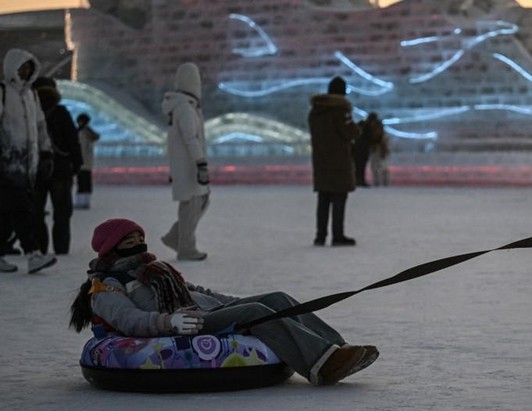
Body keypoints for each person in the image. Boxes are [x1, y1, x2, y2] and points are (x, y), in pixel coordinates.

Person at [68, 218, 380, 386]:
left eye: (138, 238)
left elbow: (197, 290)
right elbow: (128, 320)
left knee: (277, 299)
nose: (137, 244)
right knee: (258, 313)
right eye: (128, 241)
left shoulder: (155, 269)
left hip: (204, 311)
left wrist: (239, 303)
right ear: (111, 248)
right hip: (184, 325)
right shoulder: (106, 287)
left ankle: (337, 349)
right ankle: (321, 368)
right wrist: (168, 322)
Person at [0, 48, 58, 274]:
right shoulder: (4, 92)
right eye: (22, 67)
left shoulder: (31, 95)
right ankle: (32, 252)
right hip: (7, 162)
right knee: (22, 209)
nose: (25, 71)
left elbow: (40, 126)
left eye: (28, 68)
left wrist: (45, 152)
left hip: (27, 165)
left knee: (7, 212)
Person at [160, 62, 210, 260]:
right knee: (192, 205)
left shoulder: (183, 106)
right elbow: (191, 138)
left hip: (184, 165)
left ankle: (176, 237)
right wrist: (200, 163)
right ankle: (186, 247)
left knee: (199, 202)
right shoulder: (185, 108)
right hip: (189, 166)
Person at [31, 77, 82, 255]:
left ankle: (39, 247)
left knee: (35, 212)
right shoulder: (60, 111)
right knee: (62, 213)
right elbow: (72, 140)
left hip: (35, 169)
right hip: (61, 169)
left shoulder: (30, 111)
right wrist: (76, 164)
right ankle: (61, 248)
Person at [308, 76, 360, 246]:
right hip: (339, 160)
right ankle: (338, 235)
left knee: (323, 198)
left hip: (321, 159)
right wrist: (358, 128)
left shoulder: (315, 111)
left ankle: (320, 235)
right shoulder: (341, 111)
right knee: (339, 197)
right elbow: (350, 133)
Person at [75, 113, 100, 209]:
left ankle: (81, 202)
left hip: (81, 162)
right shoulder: (88, 132)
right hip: (87, 162)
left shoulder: (81, 132)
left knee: (81, 182)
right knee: (86, 183)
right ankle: (85, 201)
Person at [369, 117, 390, 187]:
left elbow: (386, 145)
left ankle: (384, 182)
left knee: (383, 168)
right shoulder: (374, 136)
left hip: (380, 153)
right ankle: (378, 182)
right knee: (376, 168)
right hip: (376, 153)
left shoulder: (383, 136)